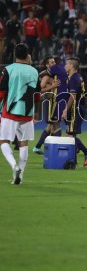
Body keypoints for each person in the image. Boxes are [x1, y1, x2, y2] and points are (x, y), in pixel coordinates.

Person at [0, 43, 41, 184]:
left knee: (3, 141)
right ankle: (20, 175)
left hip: (10, 112)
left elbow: (2, 92)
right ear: (27, 55)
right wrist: (36, 112)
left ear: (14, 55)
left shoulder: (8, 70)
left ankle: (14, 166)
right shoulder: (34, 71)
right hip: (28, 113)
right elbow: (37, 94)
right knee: (24, 144)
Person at [32, 56, 68, 154]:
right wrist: (52, 86)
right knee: (55, 124)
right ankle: (53, 148)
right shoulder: (47, 76)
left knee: (50, 126)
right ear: (47, 65)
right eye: (51, 62)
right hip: (52, 101)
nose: (54, 63)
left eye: (54, 61)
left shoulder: (54, 74)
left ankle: (38, 147)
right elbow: (40, 89)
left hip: (55, 100)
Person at [61, 57, 87, 162]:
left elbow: (73, 96)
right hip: (76, 108)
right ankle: (74, 160)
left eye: (67, 64)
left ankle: (84, 154)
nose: (65, 66)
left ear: (72, 66)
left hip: (75, 110)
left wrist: (65, 110)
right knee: (70, 134)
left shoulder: (74, 79)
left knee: (70, 136)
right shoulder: (77, 77)